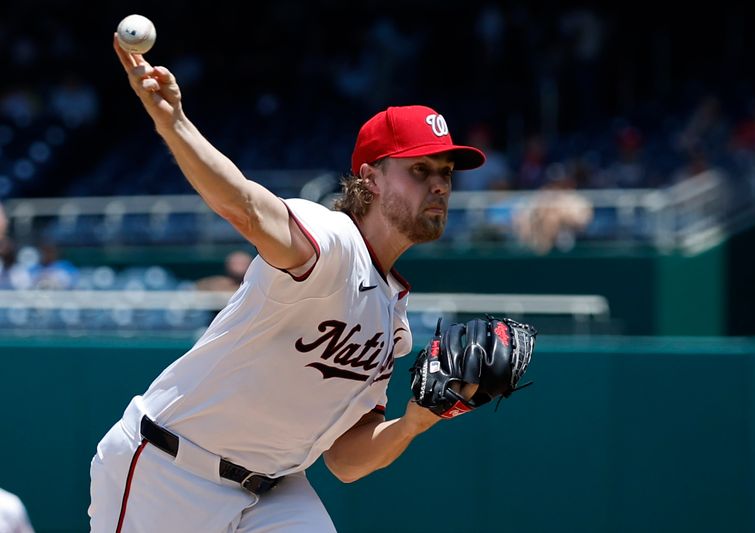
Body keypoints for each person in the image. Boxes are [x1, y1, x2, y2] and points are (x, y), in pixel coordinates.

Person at [89, 34, 486, 532]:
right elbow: (247, 207)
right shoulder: (332, 239)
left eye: (447, 172)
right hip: (171, 473)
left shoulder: (394, 319)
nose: (440, 184)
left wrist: (414, 422)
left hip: (276, 492)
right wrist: (174, 123)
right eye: (420, 169)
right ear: (370, 179)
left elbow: (345, 460)